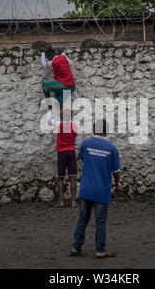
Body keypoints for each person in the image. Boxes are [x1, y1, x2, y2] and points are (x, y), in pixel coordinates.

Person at [70, 119, 122, 258]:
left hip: (86, 189)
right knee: (101, 221)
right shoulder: (112, 148)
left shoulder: (86, 144)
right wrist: (118, 184)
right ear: (107, 131)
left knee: (82, 219)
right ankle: (99, 250)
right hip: (102, 190)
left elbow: (81, 157)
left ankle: (76, 247)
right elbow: (116, 170)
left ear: (94, 129)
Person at [47, 105, 79, 208]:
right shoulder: (74, 126)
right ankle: (73, 202)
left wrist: (49, 110)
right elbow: (77, 141)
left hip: (61, 152)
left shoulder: (59, 125)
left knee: (60, 178)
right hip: (71, 151)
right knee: (72, 177)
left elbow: (49, 120)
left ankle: (61, 202)